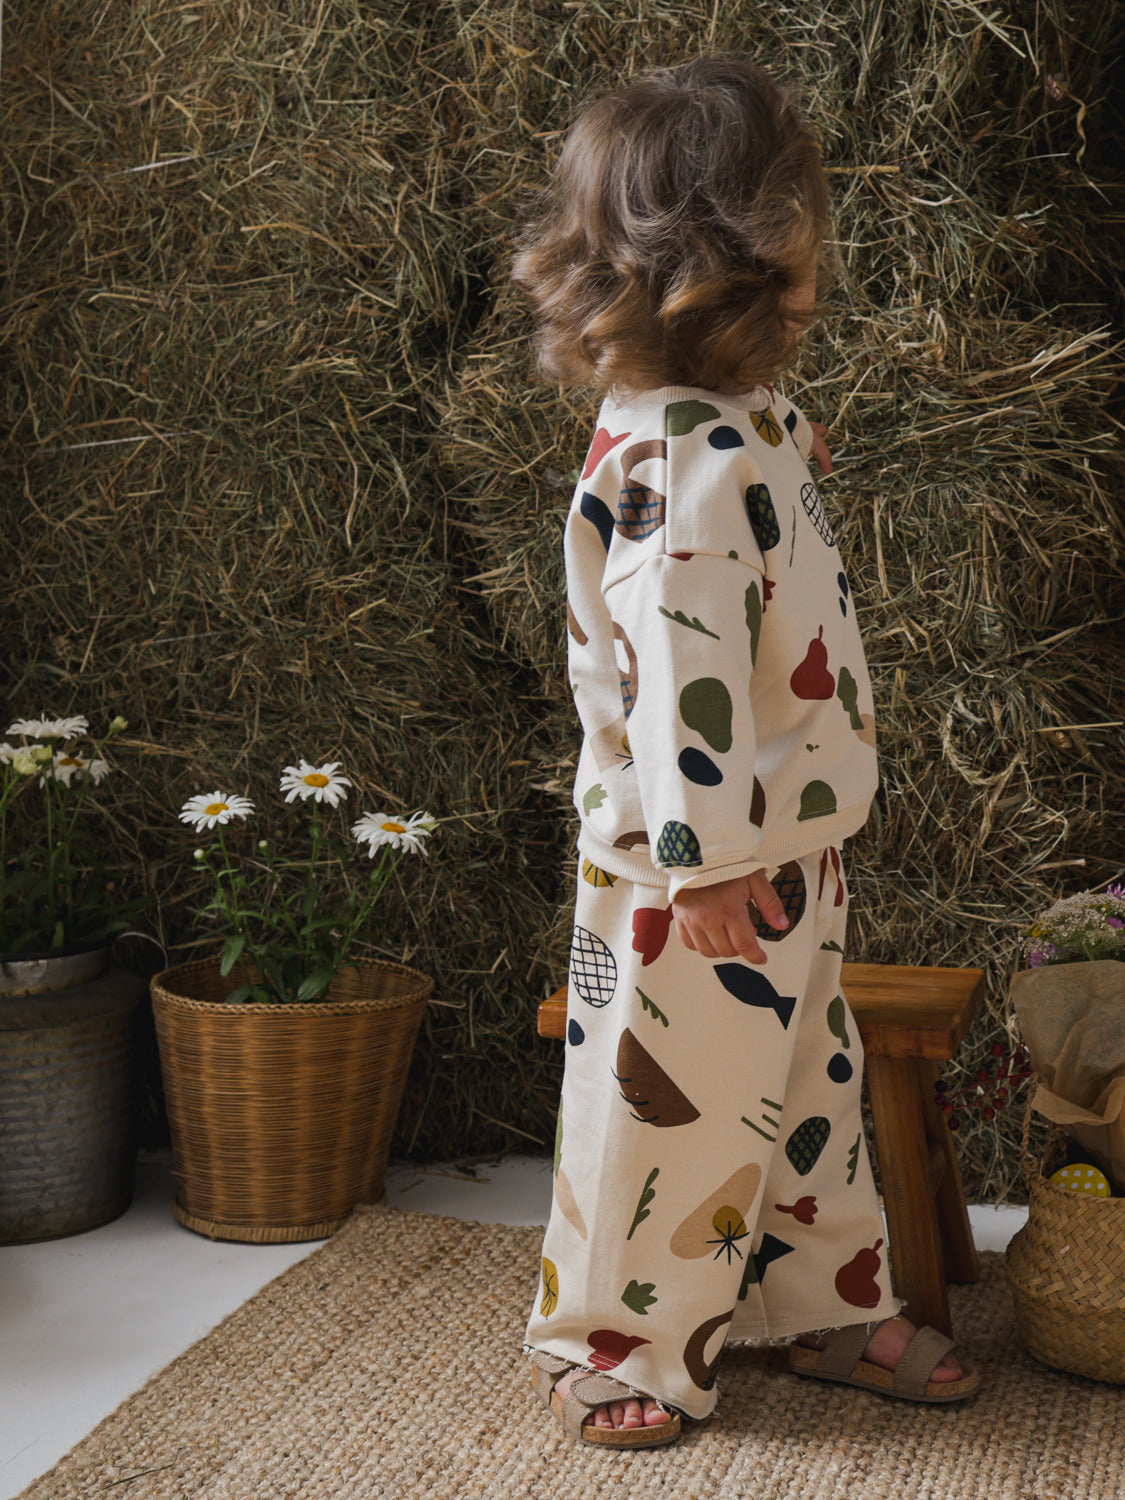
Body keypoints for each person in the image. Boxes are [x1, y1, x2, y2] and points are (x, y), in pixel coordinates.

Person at [513, 56, 979, 1450]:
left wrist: (780, 457)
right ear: (732, 267)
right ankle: (615, 1341)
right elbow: (674, 691)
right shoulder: (689, 477)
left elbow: (734, 517)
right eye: (799, 241)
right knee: (660, 1121)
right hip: (696, 864)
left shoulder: (730, 433)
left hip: (780, 845)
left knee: (799, 1086)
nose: (814, 264)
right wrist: (700, 866)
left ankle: (819, 1301)